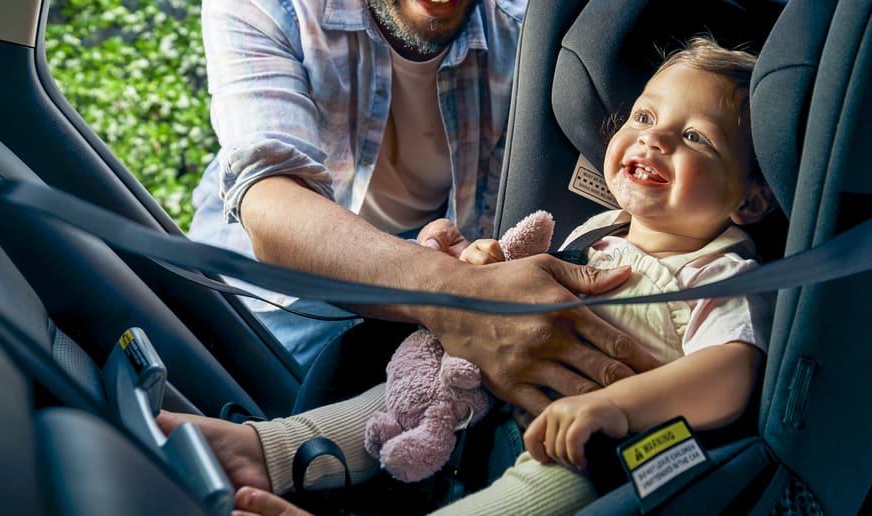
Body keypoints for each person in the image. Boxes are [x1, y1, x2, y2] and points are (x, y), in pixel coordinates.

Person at [161, 36, 778, 515]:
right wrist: (482, 268)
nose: (654, 139)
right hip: (491, 389)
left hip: (587, 444)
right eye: (642, 117)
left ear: (749, 199)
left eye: (694, 137)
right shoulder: (599, 231)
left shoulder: (721, 271)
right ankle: (267, 450)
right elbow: (517, 294)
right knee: (404, 390)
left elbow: (731, 373)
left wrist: (614, 406)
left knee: (542, 493)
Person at [187, 0, 658, 413]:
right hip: (271, 295)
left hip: (436, 262)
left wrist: (471, 266)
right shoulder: (274, 8)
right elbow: (272, 203)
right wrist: (456, 295)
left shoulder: (531, 24)